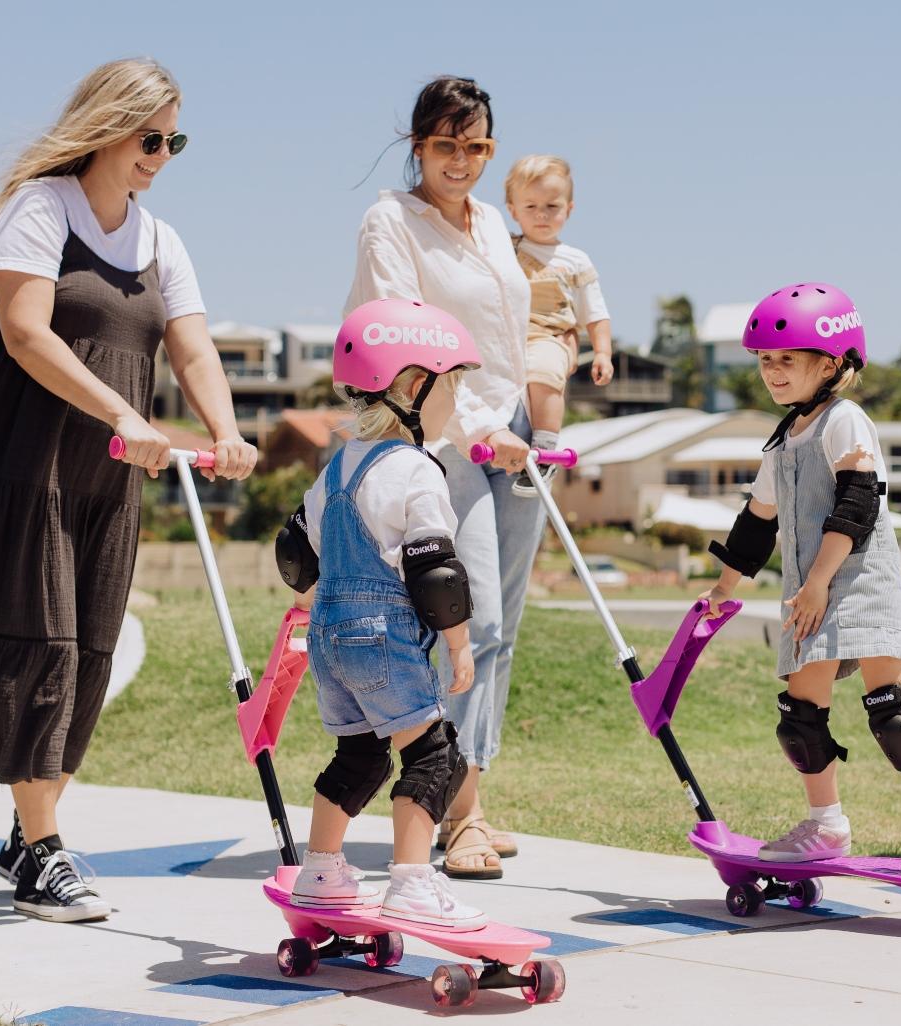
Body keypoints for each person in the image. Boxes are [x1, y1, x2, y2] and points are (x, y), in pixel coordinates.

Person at [0, 58, 257, 923]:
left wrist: (227, 429)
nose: (162, 154)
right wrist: (125, 412)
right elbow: (23, 334)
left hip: (107, 478)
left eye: (175, 140)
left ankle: (30, 830)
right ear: (106, 125)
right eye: (150, 137)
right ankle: (43, 853)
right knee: (42, 644)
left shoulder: (161, 240)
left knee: (88, 649)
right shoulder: (38, 209)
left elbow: (195, 349)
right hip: (22, 466)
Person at [345, 76, 545, 879]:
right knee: (475, 622)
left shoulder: (493, 222)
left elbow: (512, 331)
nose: (462, 161)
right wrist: (475, 428)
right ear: (417, 146)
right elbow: (404, 342)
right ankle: (448, 814)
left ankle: (472, 804)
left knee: (500, 641)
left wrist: (529, 419)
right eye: (446, 145)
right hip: (446, 441)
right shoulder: (391, 221)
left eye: (478, 147)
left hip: (515, 436)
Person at [702, 282, 901, 876]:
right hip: (807, 592)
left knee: (891, 709)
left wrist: (816, 583)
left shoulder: (846, 421)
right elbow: (755, 526)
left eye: (788, 359)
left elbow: (857, 505)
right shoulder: (782, 439)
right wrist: (723, 589)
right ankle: (826, 824)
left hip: (858, 583)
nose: (774, 372)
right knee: (800, 715)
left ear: (832, 363)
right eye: (765, 360)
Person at [277, 298, 487, 929]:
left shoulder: (336, 467)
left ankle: (322, 869)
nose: (457, 403)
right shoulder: (417, 470)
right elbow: (435, 570)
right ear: (414, 387)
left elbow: (294, 552)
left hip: (330, 639)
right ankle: (413, 882)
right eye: (454, 387)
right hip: (386, 638)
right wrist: (458, 644)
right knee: (434, 756)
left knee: (360, 756)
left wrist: (321, 607)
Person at [504, 154, 613, 494]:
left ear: (569, 208)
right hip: (508, 336)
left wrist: (603, 353)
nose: (542, 215)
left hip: (549, 336)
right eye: (531, 206)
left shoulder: (575, 261)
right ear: (512, 209)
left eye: (552, 206)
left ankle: (546, 450)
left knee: (544, 370)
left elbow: (595, 312)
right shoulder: (503, 248)